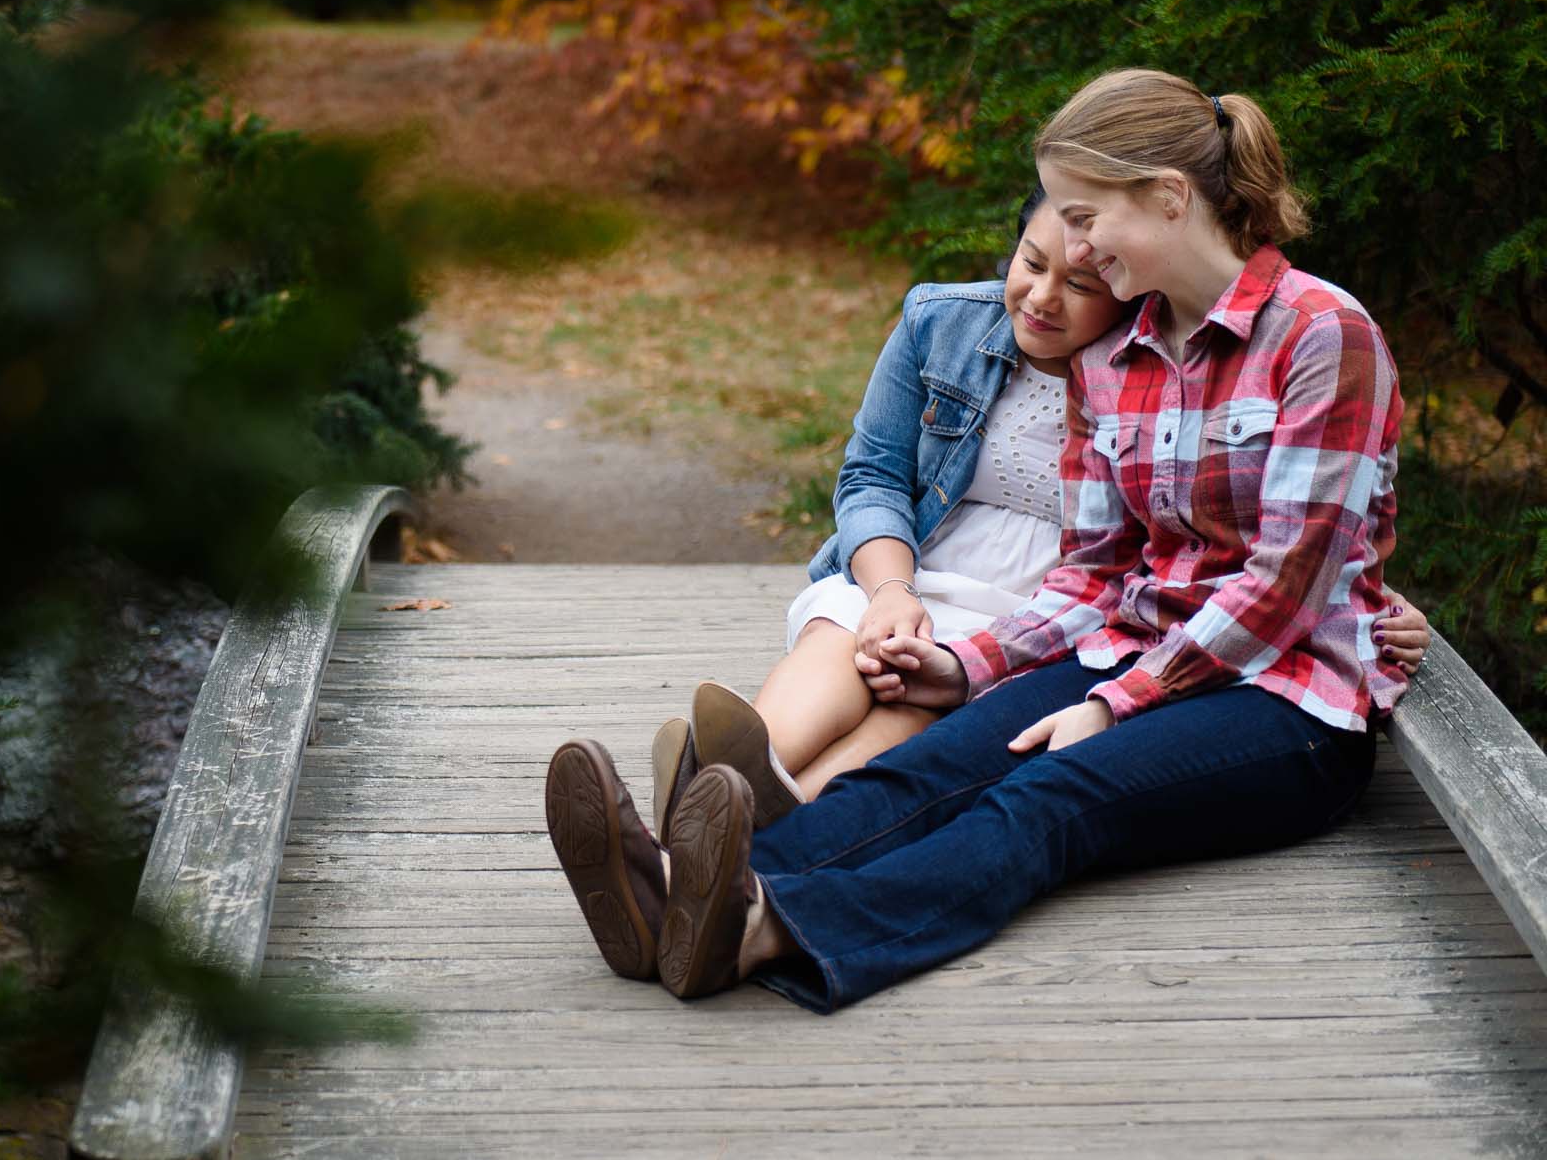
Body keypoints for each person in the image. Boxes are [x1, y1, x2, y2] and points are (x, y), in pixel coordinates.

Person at [547, 68, 1420, 1006]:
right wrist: (965, 668)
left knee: (1048, 794)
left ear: (1169, 201)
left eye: (1086, 217)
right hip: (1133, 650)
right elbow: (1095, 572)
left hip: (1288, 705)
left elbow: (1285, 585)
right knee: (934, 759)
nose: (1071, 240)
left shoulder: (1325, 335)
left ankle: (759, 929)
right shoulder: (1118, 359)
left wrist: (1120, 701)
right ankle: (674, 893)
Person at [653, 194, 1424, 845]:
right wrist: (891, 587)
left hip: (1045, 617)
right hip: (912, 570)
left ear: (1129, 284)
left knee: (908, 716)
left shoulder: (1159, 369)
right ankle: (732, 774)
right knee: (851, 642)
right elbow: (875, 476)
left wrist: (1365, 595)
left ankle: (744, 834)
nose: (1043, 297)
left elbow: (1248, 528)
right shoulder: (942, 323)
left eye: (1081, 282)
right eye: (1031, 262)